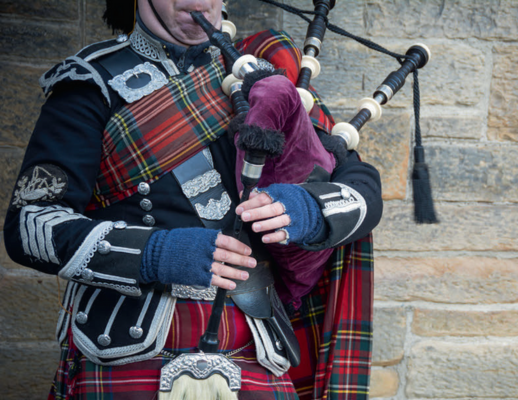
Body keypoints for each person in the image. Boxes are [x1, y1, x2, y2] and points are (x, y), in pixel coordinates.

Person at [3, 0, 382, 398]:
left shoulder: (262, 74)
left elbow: (360, 183)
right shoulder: (90, 81)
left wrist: (311, 209)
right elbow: (30, 226)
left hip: (256, 351)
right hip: (127, 351)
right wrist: (156, 252)